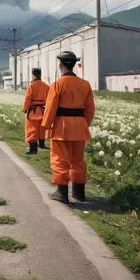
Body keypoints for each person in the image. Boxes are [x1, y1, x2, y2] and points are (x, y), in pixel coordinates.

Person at [41, 51, 95, 204]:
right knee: (78, 160)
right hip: (79, 126)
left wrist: (45, 126)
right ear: (73, 66)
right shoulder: (85, 84)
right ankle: (79, 193)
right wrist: (83, 124)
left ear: (61, 65)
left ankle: (62, 193)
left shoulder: (57, 84)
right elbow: (90, 109)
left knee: (60, 159)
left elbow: (50, 108)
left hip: (61, 127)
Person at [22, 68, 50, 155]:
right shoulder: (46, 86)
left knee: (31, 129)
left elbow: (28, 99)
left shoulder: (32, 86)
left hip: (33, 111)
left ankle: (33, 149)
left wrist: (25, 109)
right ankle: (42, 145)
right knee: (42, 129)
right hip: (43, 110)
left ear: (33, 75)